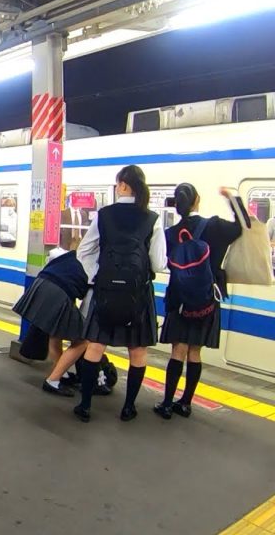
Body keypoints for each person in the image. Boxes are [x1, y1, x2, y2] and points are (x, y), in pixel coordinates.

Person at [74, 165, 166, 422]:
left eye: (117, 184)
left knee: (94, 347)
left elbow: (85, 251)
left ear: (124, 185)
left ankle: (85, 405)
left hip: (106, 291)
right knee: (137, 351)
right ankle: (128, 407)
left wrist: (98, 276)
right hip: (139, 294)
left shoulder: (103, 215)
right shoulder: (152, 219)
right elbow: (158, 263)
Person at [154, 184, 242, 419]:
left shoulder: (170, 233)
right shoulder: (215, 226)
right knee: (195, 351)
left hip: (180, 300)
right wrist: (231, 198)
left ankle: (166, 404)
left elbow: (163, 263)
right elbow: (243, 225)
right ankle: (185, 403)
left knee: (177, 351)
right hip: (207, 300)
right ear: (197, 200)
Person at [12, 247, 89, 397]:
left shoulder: (66, 258)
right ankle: (52, 381)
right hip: (57, 293)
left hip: (40, 285)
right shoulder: (90, 264)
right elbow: (82, 293)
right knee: (83, 340)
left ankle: (62, 373)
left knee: (55, 334)